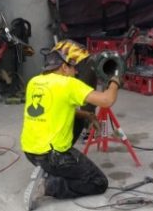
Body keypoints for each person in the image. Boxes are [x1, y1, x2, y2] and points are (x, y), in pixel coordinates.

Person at [20, 39, 121, 211]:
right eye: (73, 67)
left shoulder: (34, 82)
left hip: (30, 151)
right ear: (64, 66)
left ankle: (49, 169)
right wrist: (115, 80)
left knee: (79, 118)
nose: (75, 72)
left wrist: (88, 115)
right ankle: (49, 186)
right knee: (98, 182)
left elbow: (55, 109)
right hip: (52, 156)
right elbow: (107, 100)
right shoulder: (68, 84)